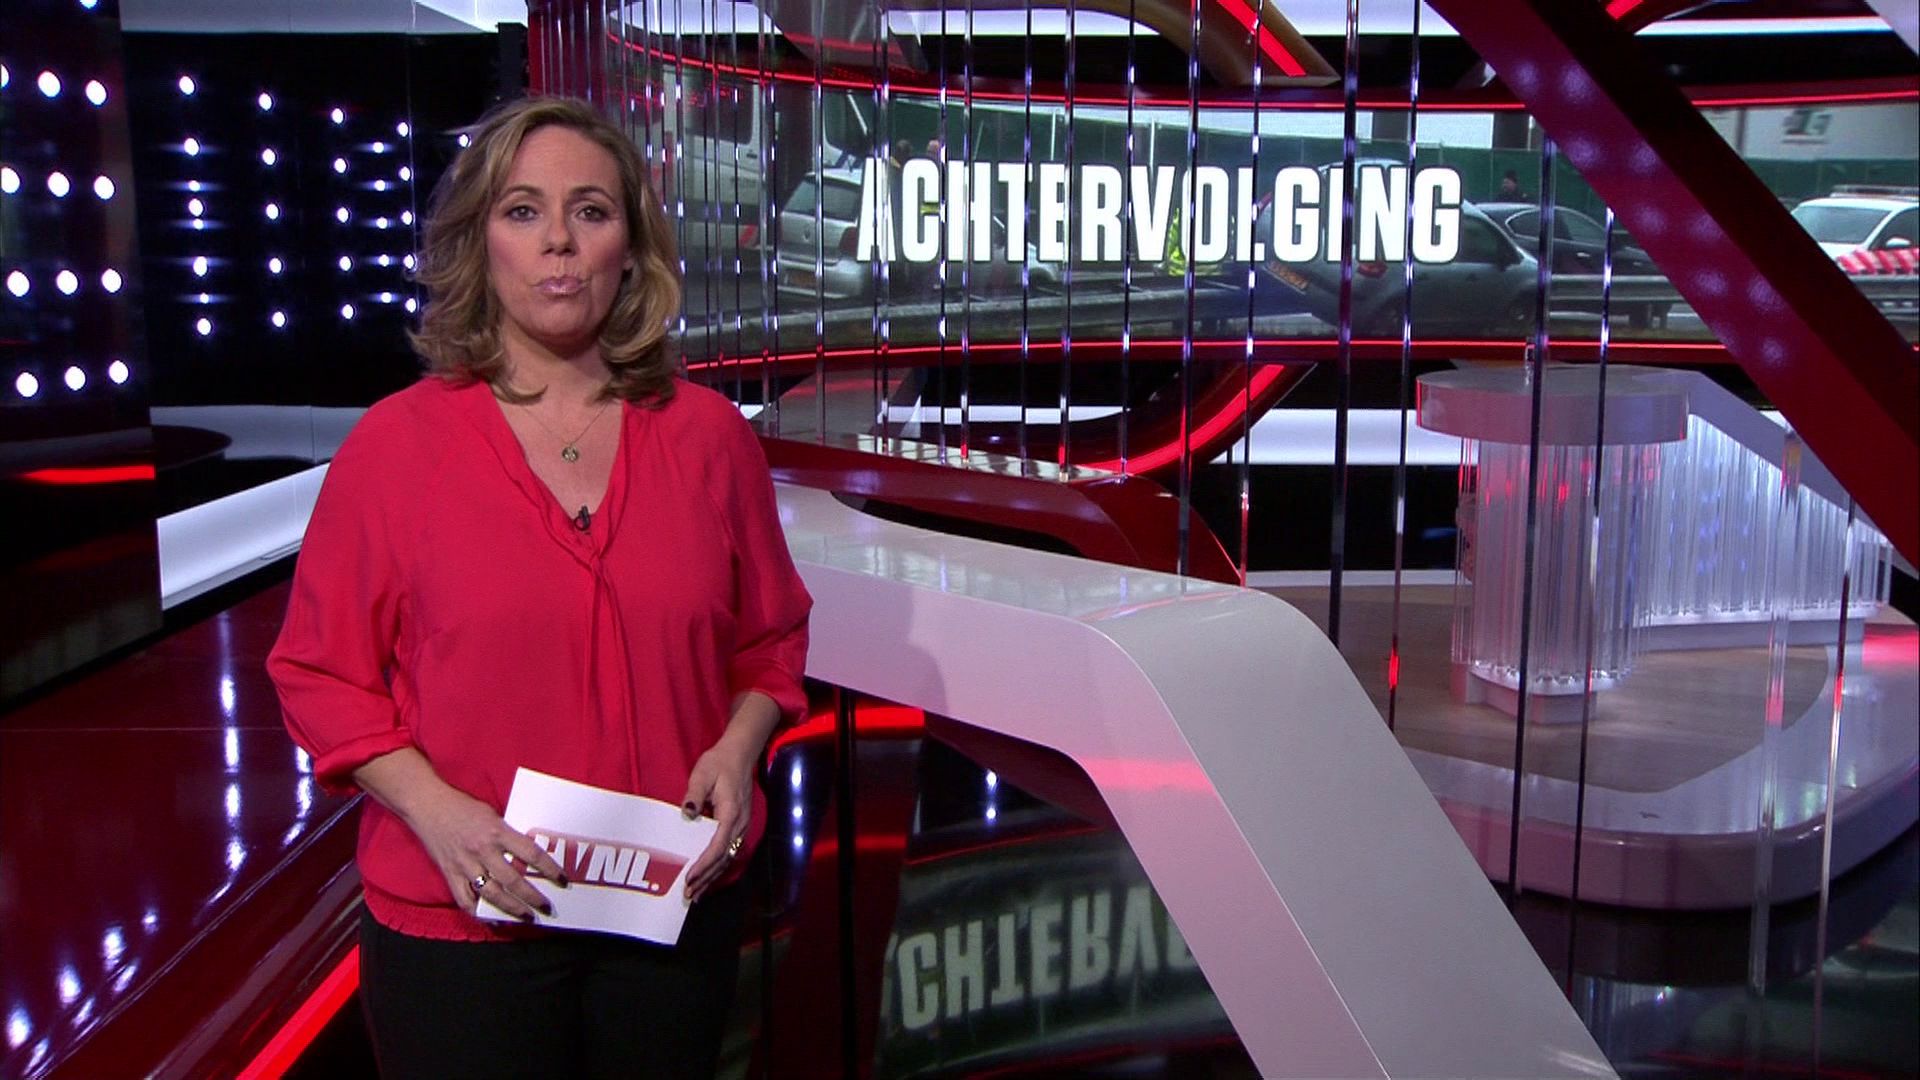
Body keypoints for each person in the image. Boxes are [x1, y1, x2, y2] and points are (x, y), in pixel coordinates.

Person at [267, 95, 812, 1079]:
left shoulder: (709, 439)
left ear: (630, 249)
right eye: (524, 211)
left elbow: (769, 642)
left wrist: (740, 750)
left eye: (590, 211)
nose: (559, 240)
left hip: (668, 914)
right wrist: (439, 815)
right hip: (467, 928)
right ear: (481, 244)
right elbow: (319, 674)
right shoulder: (395, 447)